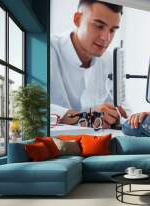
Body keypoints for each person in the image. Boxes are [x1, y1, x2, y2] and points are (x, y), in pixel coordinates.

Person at [51, 0, 128, 128]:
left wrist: (114, 116)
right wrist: (86, 117)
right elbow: (35, 108)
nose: (106, 38)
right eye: (99, 26)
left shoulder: (110, 60)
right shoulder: (48, 49)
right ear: (77, 19)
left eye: (112, 30)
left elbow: (124, 108)